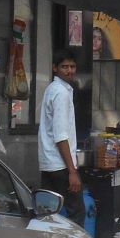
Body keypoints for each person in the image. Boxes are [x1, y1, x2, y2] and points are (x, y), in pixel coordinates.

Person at [36, 48, 82, 222]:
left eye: (72, 66)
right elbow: (61, 136)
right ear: (55, 68)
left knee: (46, 214)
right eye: (65, 67)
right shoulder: (61, 93)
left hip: (49, 164)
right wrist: (72, 171)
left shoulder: (53, 89)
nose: (70, 70)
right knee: (76, 212)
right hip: (60, 165)